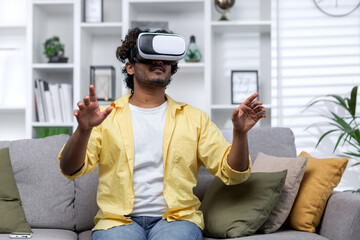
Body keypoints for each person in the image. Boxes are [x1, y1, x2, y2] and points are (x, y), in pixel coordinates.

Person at [58, 27, 266, 240]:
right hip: (118, 222)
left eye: (166, 59)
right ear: (130, 67)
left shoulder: (195, 119)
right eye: (149, 57)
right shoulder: (105, 117)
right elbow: (69, 168)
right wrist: (83, 131)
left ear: (172, 68)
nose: (159, 62)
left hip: (177, 220)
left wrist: (240, 134)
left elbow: (233, 173)